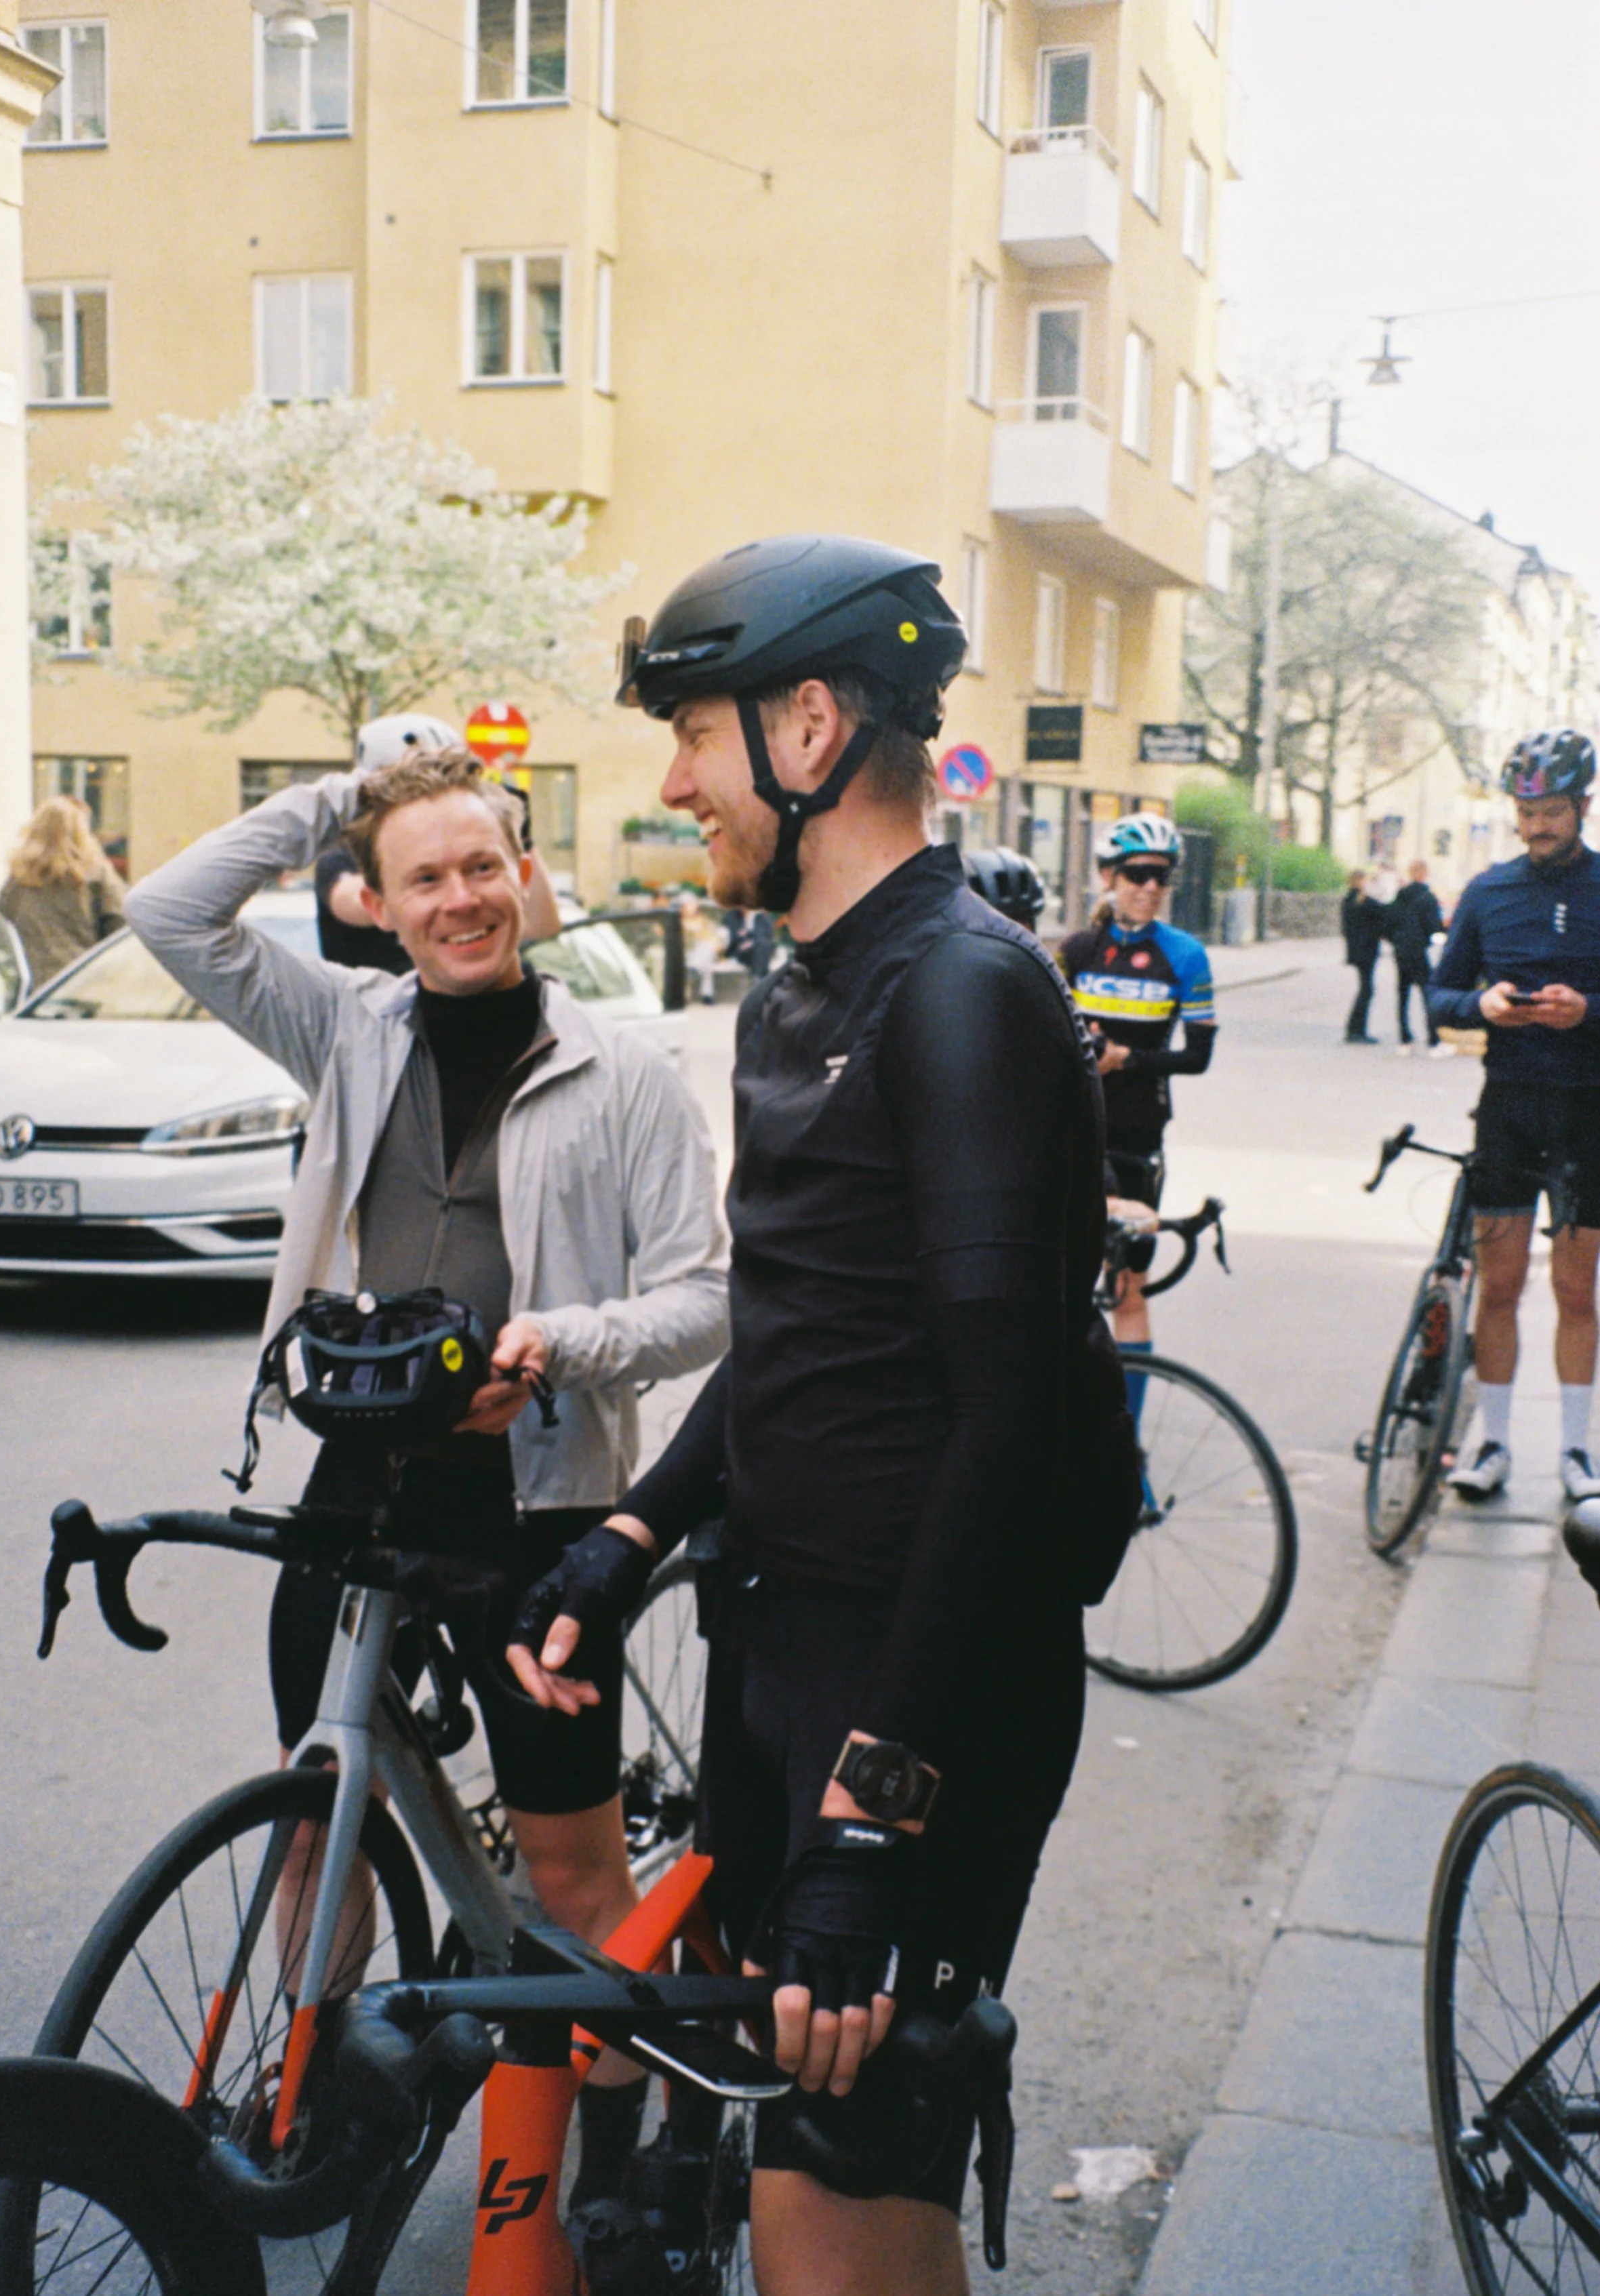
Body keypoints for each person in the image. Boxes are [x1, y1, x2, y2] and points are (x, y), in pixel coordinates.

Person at [505, 536, 1124, 2296]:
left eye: (693, 734)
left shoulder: (961, 991)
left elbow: (1004, 1437)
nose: (676, 780)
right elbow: (795, 1339)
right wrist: (625, 1547)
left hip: (924, 1684)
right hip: (787, 1644)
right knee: (820, 2185)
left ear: (807, 722)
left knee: (835, 2219)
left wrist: (872, 1817)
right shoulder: (801, 985)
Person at [123, 745, 727, 2205]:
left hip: (540, 1504)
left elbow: (706, 1297)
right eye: (424, 876)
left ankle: (606, 2169)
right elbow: (168, 912)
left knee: (574, 1872)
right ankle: (312, 2093)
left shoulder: (623, 1071)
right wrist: (349, 794)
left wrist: (558, 1342)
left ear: (525, 875)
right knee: (314, 1814)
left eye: (483, 866)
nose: (461, 899)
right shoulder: (345, 1029)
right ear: (376, 904)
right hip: (357, 1483)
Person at [1428, 729, 1600, 1504]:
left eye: (1553, 811)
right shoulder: (1489, 892)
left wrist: (1587, 1011)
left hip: (1587, 1114)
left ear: (1584, 807)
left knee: (1575, 1291)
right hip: (1508, 1111)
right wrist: (1485, 1006)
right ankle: (1491, 1443)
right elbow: (1438, 997)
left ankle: (1574, 1453)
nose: (1537, 826)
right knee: (1498, 1285)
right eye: (1526, 811)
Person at [1058, 815, 1216, 1375]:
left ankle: (1127, 1452)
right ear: (1108, 875)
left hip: (1136, 1135)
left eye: (1161, 876)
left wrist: (1128, 1058)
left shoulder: (1185, 957)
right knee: (1058, 1290)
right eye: (1136, 873)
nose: (1150, 887)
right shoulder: (1076, 951)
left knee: (1128, 1290)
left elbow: (1198, 1056)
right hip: (1072, 1133)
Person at [314, 714, 562, 969]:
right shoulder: (341, 856)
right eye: (428, 879)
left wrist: (522, 839)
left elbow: (543, 925)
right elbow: (352, 902)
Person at [0, 796, 125, 987]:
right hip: (82, 984)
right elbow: (120, 928)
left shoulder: (18, 880)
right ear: (81, 832)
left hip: (33, 990)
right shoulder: (96, 875)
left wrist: (12, 971)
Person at [1387, 858, 1449, 1058]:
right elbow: (1434, 929)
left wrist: (1397, 941)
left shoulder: (1400, 896)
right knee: (1428, 994)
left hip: (1401, 951)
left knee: (1403, 994)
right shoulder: (1428, 898)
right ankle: (1434, 1041)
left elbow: (1389, 922)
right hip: (1419, 951)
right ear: (1424, 874)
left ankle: (1404, 1040)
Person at [1340, 869, 1386, 1043]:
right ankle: (1356, 1030)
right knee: (1367, 990)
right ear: (1360, 881)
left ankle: (1355, 1029)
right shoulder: (1364, 901)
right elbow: (1384, 912)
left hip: (1356, 952)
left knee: (1365, 989)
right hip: (1367, 951)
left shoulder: (1348, 900)